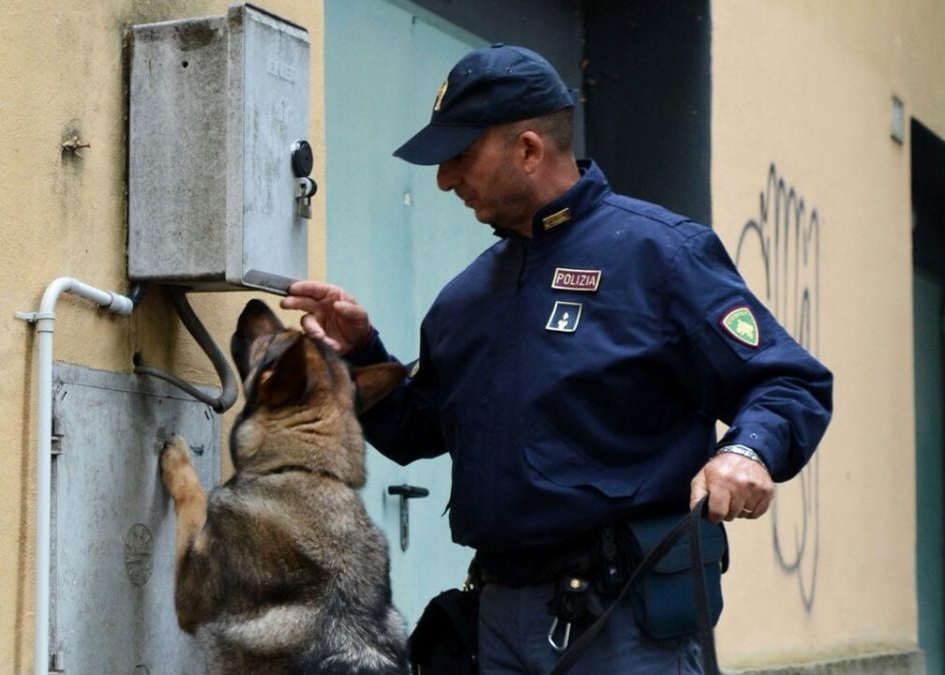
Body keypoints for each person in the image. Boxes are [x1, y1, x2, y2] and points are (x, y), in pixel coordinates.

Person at [281, 43, 832, 674]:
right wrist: (359, 354)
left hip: (625, 619)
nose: (444, 178)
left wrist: (747, 450)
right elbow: (417, 430)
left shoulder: (661, 256)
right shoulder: (465, 299)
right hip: (497, 619)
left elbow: (789, 379)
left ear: (528, 149)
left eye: (461, 156)